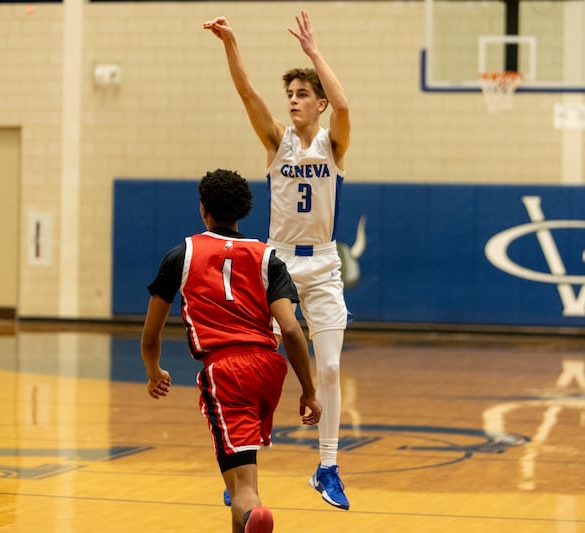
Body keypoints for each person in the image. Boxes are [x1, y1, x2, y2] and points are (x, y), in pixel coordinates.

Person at [203, 11, 352, 510]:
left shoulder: (334, 143)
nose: (292, 100)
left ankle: (327, 467)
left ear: (319, 104)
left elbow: (346, 103)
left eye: (302, 94)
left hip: (325, 264)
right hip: (280, 263)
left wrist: (313, 53)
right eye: (289, 94)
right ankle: (240, 470)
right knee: (259, 367)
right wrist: (231, 44)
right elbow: (247, 93)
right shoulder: (276, 141)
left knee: (328, 368)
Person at [140, 169, 322, 533]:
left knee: (244, 492)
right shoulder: (267, 257)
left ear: (203, 209)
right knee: (242, 475)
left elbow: (150, 335)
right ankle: (249, 514)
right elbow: (290, 328)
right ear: (242, 212)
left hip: (226, 371)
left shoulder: (183, 254)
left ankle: (257, 515)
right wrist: (310, 389)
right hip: (269, 369)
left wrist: (154, 371)